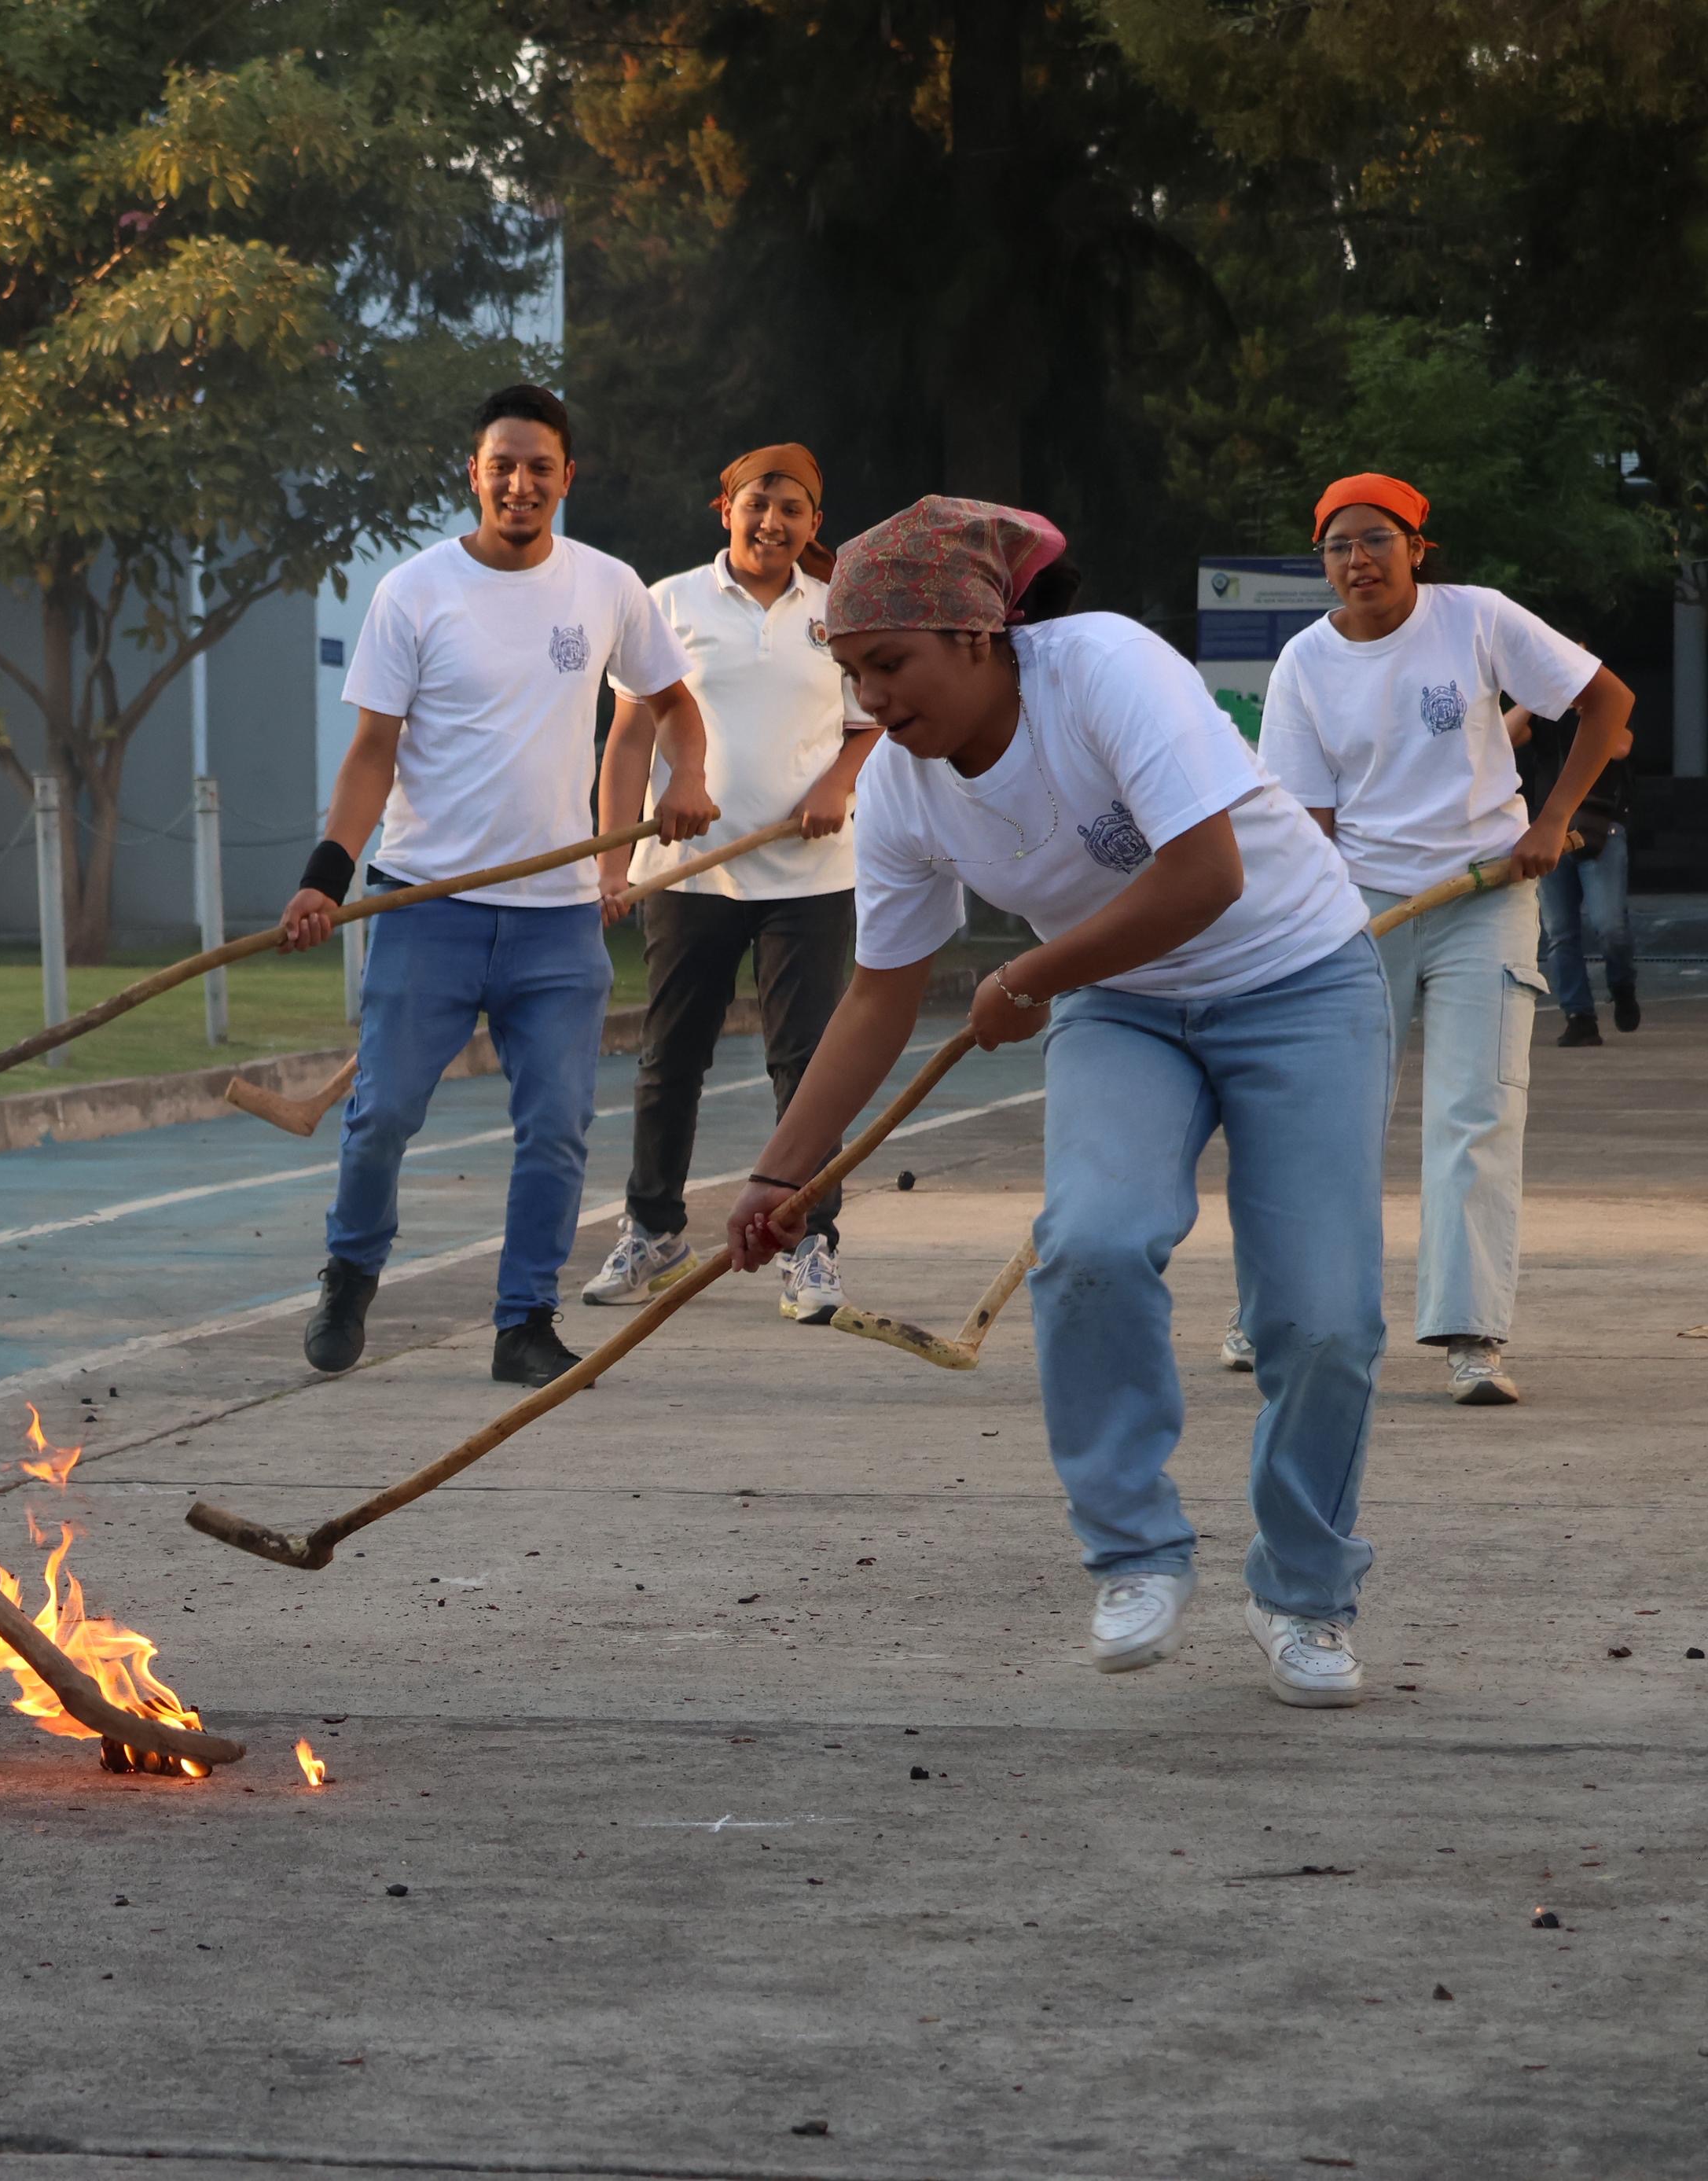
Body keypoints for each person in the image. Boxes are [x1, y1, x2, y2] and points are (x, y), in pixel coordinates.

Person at [726, 496, 1394, 1708]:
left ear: (979, 635)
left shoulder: (1106, 670)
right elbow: (880, 996)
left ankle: (1306, 1592)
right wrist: (784, 1174)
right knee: (1089, 1242)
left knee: (1321, 1316)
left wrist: (1031, 970)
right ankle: (1135, 1552)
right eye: (854, 675)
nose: (875, 702)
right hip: (1122, 1010)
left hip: (1296, 981)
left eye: (892, 665)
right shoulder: (906, 790)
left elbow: (1208, 874)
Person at [280, 383, 713, 1388]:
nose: (520, 482)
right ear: (472, 474)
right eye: (501, 464)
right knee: (382, 1111)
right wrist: (323, 879)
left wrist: (686, 777)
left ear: (568, 477)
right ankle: (349, 1271)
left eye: (539, 466)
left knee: (558, 1125)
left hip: (555, 917)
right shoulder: (413, 591)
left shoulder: (608, 587)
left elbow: (673, 708)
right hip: (423, 903)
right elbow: (370, 754)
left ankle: (524, 1319)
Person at [1254, 473, 1633, 1406]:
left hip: (1485, 892)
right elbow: (1304, 818)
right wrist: (1317, 920)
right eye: (1337, 545)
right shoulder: (1302, 662)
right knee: (1328, 1119)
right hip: (1360, 907)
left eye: (1375, 539)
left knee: (1476, 1110)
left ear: (1416, 547)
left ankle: (1471, 1334)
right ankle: (1283, 1308)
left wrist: (1548, 822)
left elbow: (1608, 704)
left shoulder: (1476, 619)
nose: (1356, 560)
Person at [585, 443, 880, 1326]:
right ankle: (653, 1228)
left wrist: (836, 782)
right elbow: (629, 741)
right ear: (724, 508)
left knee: (807, 1061)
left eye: (791, 509)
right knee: (669, 1057)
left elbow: (869, 724)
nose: (771, 521)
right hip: (686, 876)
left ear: (813, 525)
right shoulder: (665, 604)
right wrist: (611, 862)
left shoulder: (839, 613)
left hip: (811, 874)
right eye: (757, 503)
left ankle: (810, 1242)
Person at [1510, 680, 1636, 1046]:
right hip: (1548, 837)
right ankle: (1579, 1016)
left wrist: (1590, 707)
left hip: (1600, 831)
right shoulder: (1545, 722)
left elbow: (1621, 747)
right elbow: (1507, 733)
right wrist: (1536, 697)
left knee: (1610, 925)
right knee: (1560, 932)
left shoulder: (1607, 712)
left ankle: (1622, 985)